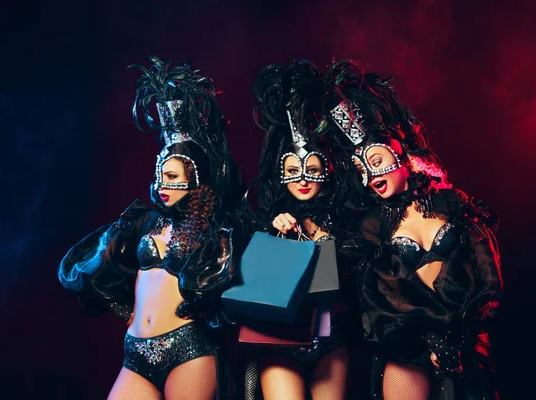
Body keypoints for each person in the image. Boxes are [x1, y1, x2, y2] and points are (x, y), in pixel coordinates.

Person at [58, 56, 245, 400]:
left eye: (172, 177)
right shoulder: (144, 220)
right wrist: (125, 311)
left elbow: (228, 281)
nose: (162, 183)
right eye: (160, 175)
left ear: (194, 180)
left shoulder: (211, 228)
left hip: (186, 349)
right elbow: (101, 265)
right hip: (136, 353)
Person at [322, 59, 503, 400]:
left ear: (401, 154)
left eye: (374, 161)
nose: (369, 174)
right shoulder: (373, 227)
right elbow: (378, 302)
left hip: (465, 341)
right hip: (406, 346)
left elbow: (488, 278)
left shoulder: (453, 204)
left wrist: (459, 341)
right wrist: (431, 342)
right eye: (361, 167)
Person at [240, 60, 364, 400]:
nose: (303, 179)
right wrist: (271, 229)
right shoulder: (266, 218)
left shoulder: (349, 220)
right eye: (293, 170)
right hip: (278, 340)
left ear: (326, 171)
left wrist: (331, 242)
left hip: (332, 340)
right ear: (280, 175)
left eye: (311, 169)